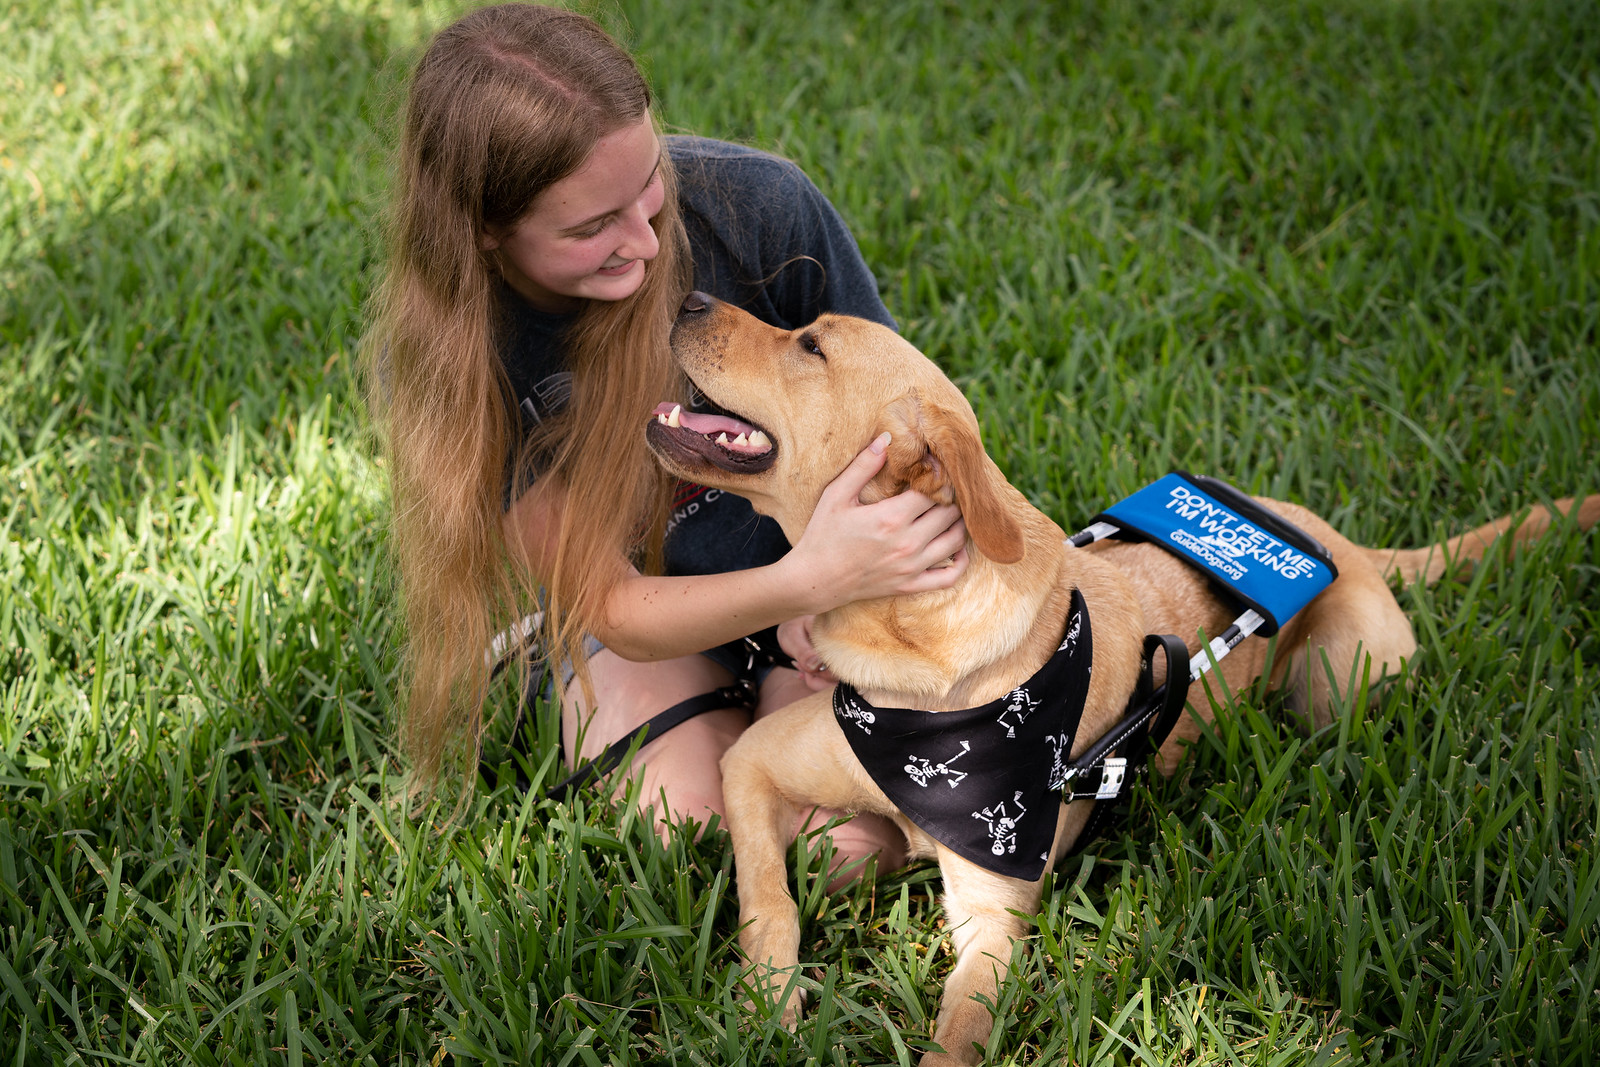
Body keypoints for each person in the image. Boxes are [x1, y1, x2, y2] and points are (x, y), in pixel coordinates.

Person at [363, 3, 966, 875]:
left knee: (855, 844)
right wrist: (811, 577)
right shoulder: (448, 362)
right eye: (589, 229)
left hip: (818, 588)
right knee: (709, 833)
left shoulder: (756, 205)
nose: (645, 242)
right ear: (486, 234)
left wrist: (830, 606)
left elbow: (896, 433)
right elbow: (614, 608)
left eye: (649, 183)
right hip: (626, 623)